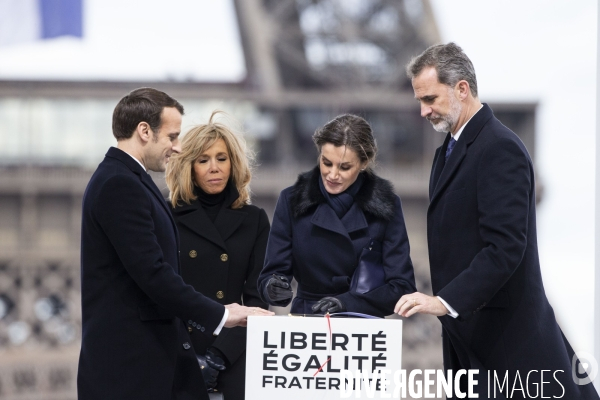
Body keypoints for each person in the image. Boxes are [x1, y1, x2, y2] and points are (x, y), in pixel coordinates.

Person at [395, 43, 599, 398]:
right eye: (419, 102)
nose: (424, 111)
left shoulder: (498, 148)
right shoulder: (447, 152)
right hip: (472, 340)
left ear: (462, 88)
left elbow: (505, 247)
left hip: (506, 346)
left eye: (430, 99)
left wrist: (442, 302)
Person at [77, 88, 273, 400]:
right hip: (132, 366)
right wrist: (224, 315)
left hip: (150, 363)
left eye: (222, 158)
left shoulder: (128, 180)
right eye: (172, 136)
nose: (177, 147)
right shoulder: (120, 184)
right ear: (144, 131)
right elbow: (153, 274)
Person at [258, 114, 416, 317]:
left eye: (344, 167)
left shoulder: (388, 206)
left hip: (363, 326)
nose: (332, 175)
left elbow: (402, 287)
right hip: (306, 322)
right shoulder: (291, 200)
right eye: (326, 163)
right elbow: (272, 273)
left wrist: (350, 303)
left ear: (364, 163)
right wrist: (273, 287)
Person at [165, 111, 270, 400]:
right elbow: (160, 289)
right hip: (179, 353)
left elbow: (258, 300)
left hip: (233, 356)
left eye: (221, 158)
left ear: (233, 163)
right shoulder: (166, 216)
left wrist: (218, 357)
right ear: (189, 166)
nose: (214, 168)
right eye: (203, 160)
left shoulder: (255, 220)